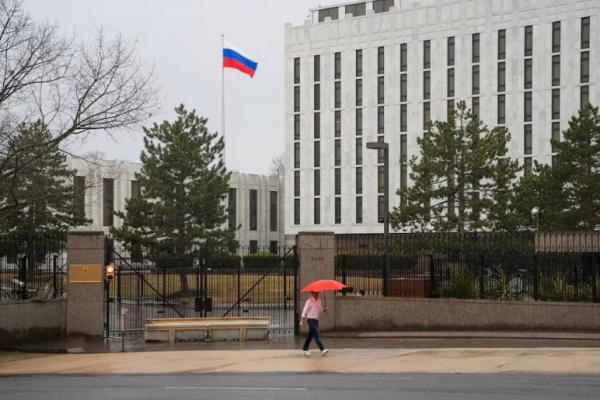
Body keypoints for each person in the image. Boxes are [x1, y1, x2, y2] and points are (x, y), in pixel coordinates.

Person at [300, 291, 329, 356]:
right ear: (312, 293)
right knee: (316, 334)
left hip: (316, 320)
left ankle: (304, 349)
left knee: (310, 336)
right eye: (316, 293)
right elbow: (304, 310)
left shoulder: (319, 300)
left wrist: (324, 310)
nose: (317, 294)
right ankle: (322, 349)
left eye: (318, 293)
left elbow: (320, 309)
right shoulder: (309, 301)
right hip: (310, 320)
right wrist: (302, 319)